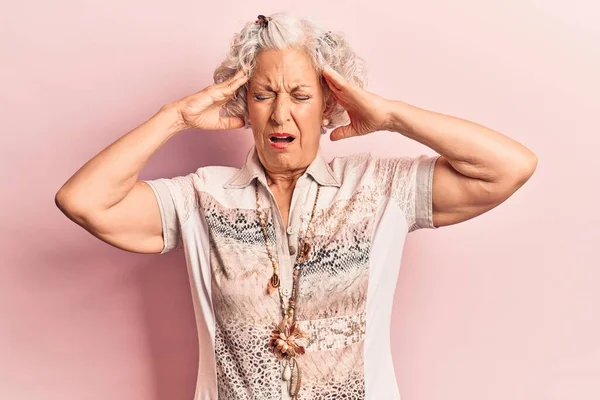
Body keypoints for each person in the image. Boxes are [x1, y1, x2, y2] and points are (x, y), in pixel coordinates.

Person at [55, 12, 537, 400]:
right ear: (244, 103)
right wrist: (174, 118)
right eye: (263, 95)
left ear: (330, 104)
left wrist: (389, 115)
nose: (280, 113)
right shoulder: (203, 197)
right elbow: (83, 201)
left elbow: (509, 167)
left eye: (301, 95)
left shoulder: (379, 186)